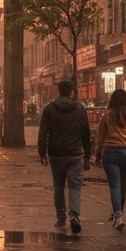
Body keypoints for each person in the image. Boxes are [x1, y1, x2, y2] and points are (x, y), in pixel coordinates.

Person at [37, 80, 93, 234]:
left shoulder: (50, 109)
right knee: (75, 185)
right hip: (75, 154)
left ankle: (61, 218)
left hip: (57, 154)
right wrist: (88, 155)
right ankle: (74, 215)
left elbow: (43, 132)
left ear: (59, 91)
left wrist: (42, 152)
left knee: (59, 186)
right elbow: (86, 133)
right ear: (71, 92)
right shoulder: (79, 109)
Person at [94, 89, 126, 232]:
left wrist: (97, 154)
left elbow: (100, 137)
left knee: (115, 186)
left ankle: (118, 216)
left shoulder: (107, 116)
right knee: (122, 185)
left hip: (111, 153)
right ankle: (119, 214)